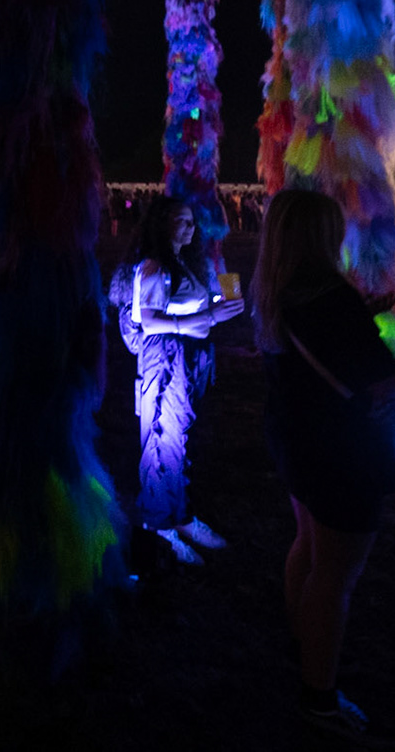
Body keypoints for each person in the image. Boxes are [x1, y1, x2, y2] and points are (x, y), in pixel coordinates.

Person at [254, 188, 395, 744]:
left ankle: (302, 644)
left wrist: (361, 317)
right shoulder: (329, 297)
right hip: (339, 449)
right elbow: (381, 384)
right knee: (335, 573)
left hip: (294, 436)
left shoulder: (276, 288)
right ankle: (318, 697)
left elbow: (315, 349)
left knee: (308, 544)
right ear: (322, 234)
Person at [110, 195, 244, 564]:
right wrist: (209, 318)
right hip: (165, 360)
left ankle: (179, 515)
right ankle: (159, 525)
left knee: (178, 438)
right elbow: (151, 320)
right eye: (181, 221)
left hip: (185, 359)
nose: (189, 228)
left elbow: (186, 306)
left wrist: (217, 305)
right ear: (161, 223)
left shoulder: (181, 263)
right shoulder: (154, 266)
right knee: (162, 440)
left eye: (192, 222)